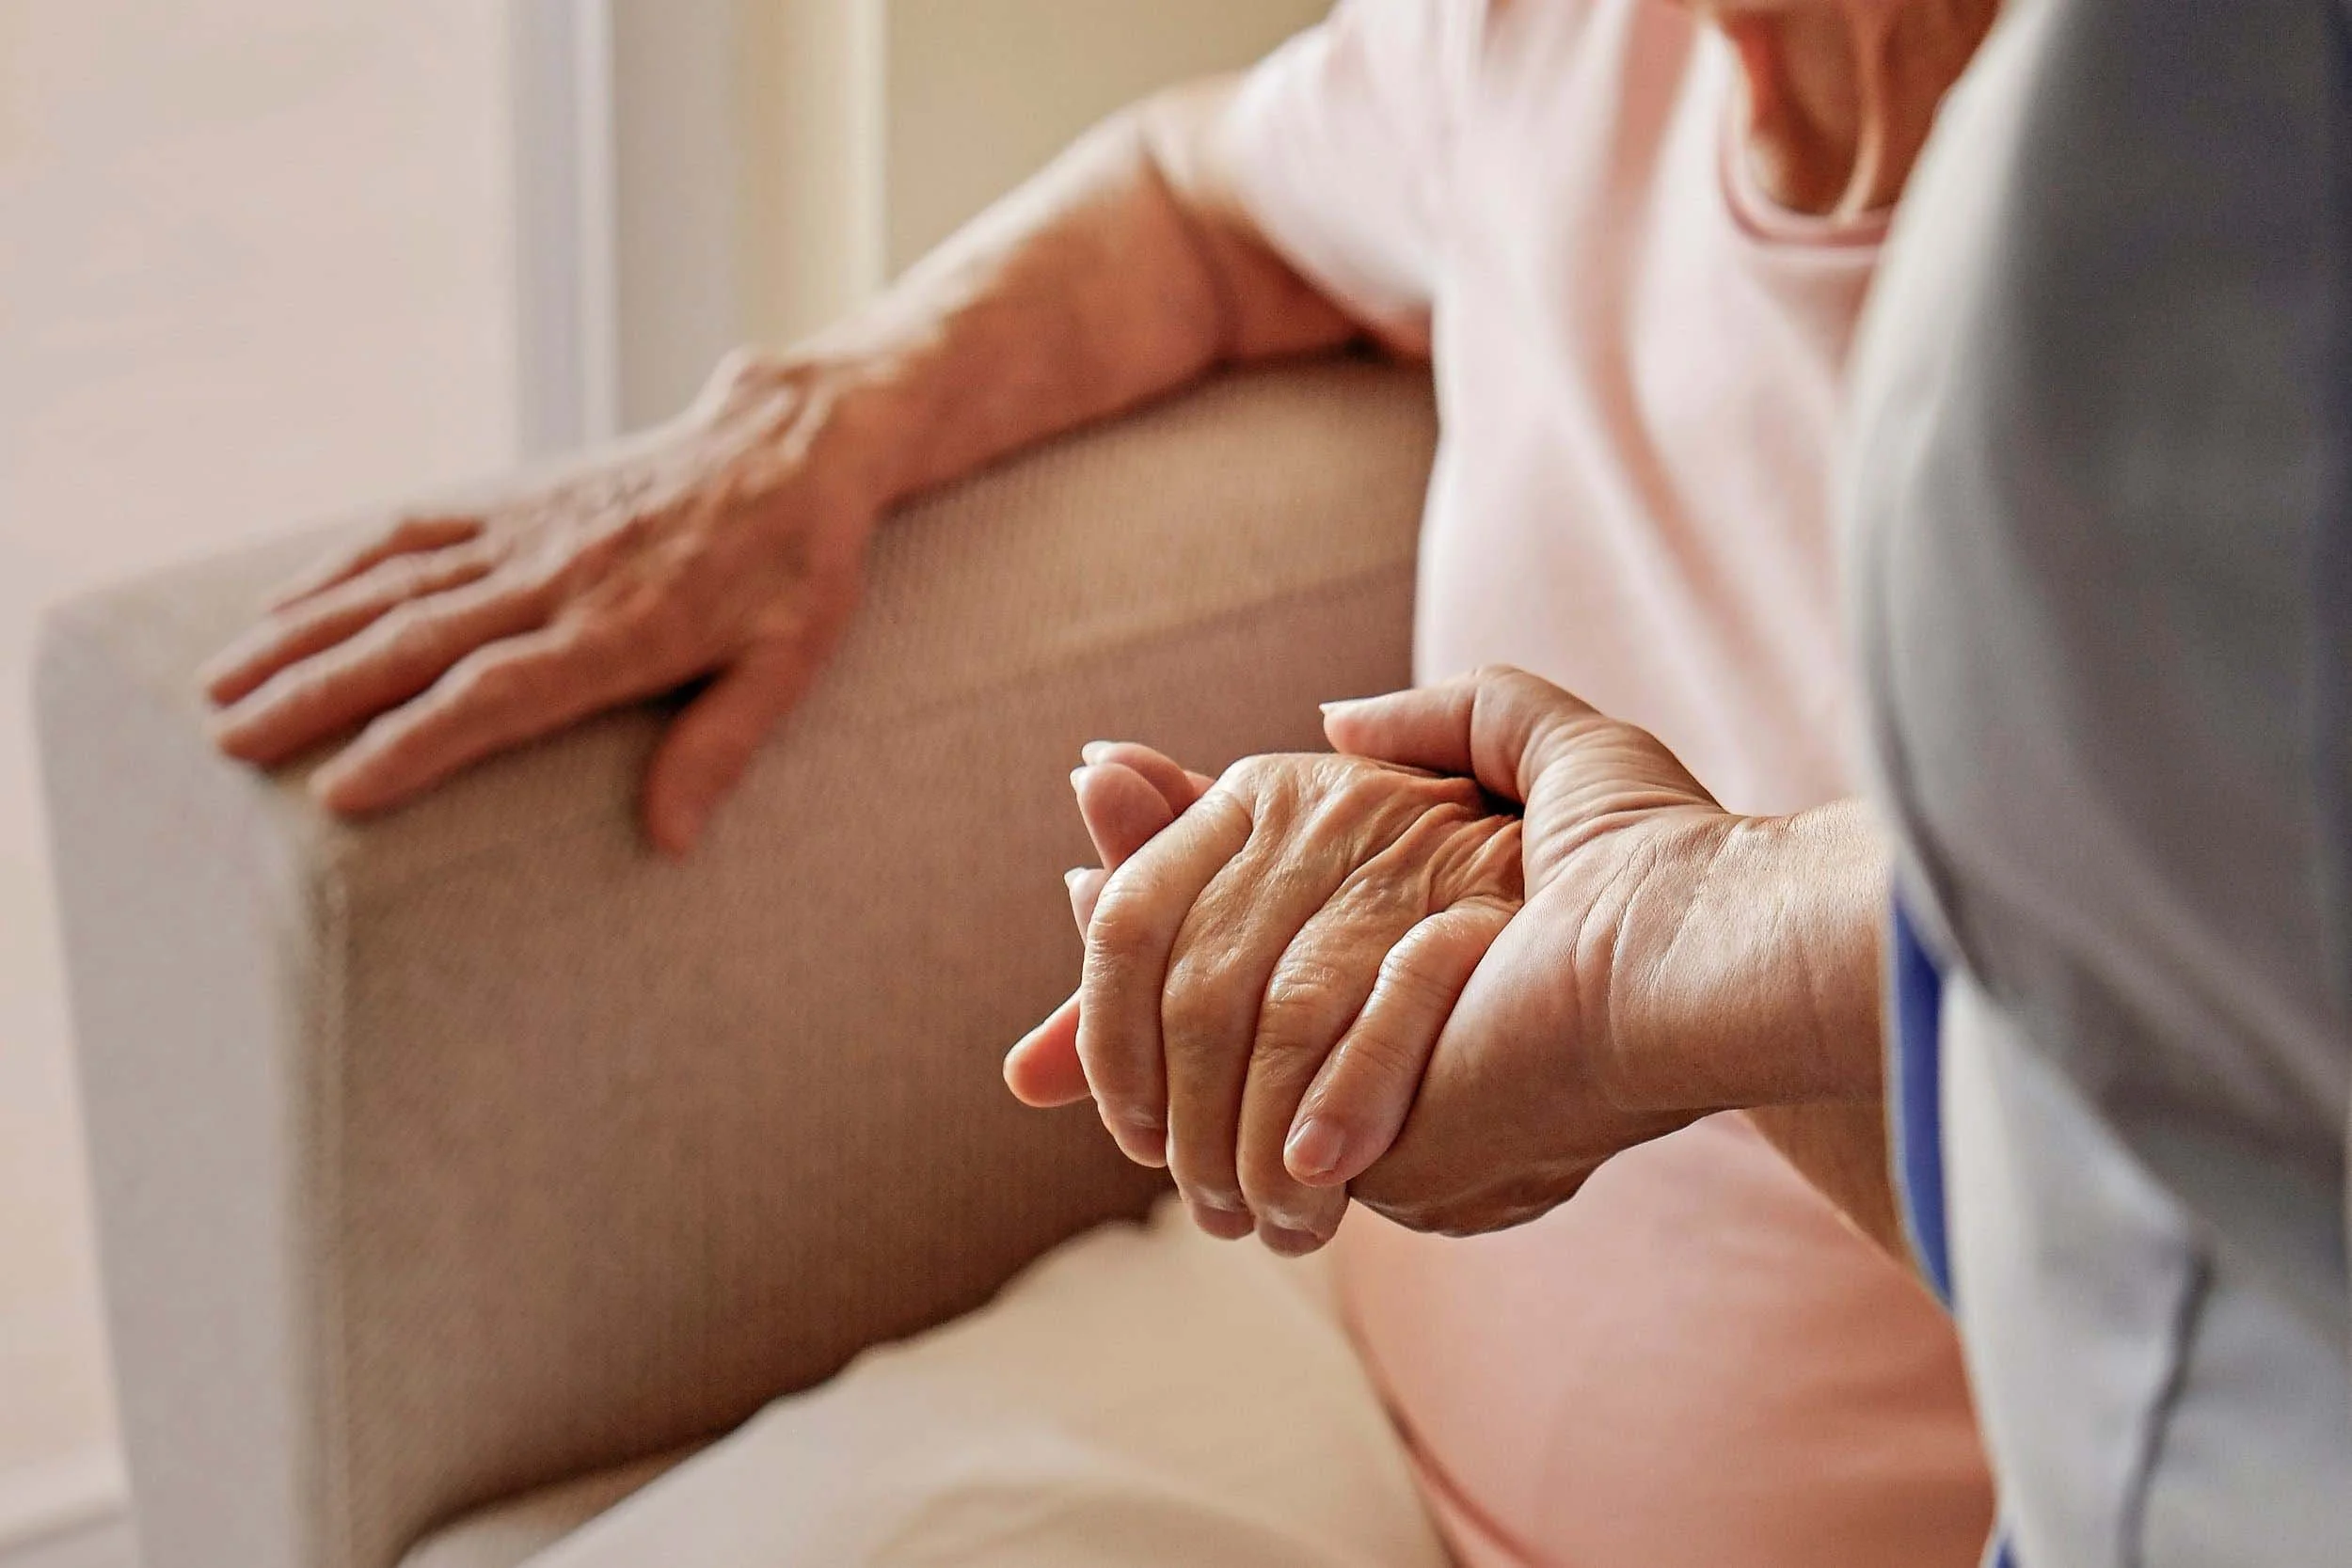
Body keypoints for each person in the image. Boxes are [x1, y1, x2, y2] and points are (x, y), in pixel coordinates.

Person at [200, 2, 2001, 1561]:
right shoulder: (1546, 37)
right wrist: (828, 415)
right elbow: (1214, 202)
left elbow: (2196, 1165)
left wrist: (1672, 983)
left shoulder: (2203, 260)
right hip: (1346, 1367)